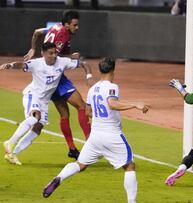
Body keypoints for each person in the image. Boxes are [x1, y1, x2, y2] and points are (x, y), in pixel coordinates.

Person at [42, 58, 149, 203]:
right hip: (112, 135)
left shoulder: (93, 89)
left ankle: (59, 178)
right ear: (113, 71)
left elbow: (87, 112)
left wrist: (98, 116)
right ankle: (132, 201)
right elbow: (112, 104)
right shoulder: (112, 87)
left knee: (81, 164)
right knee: (129, 165)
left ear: (99, 71)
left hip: (95, 136)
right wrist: (135, 104)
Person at [1, 42, 89, 165]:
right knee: (36, 117)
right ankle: (10, 142)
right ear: (43, 53)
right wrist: (10, 65)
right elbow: (22, 64)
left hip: (44, 101)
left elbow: (82, 64)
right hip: (33, 95)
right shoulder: (37, 63)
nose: (53, 56)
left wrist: (88, 74)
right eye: (50, 53)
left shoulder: (62, 62)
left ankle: (13, 154)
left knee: (38, 128)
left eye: (55, 53)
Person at [22, 10, 92, 159]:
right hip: (56, 78)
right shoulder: (62, 34)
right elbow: (55, 57)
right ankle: (91, 144)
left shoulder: (55, 27)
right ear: (67, 24)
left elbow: (36, 32)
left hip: (49, 81)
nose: (77, 27)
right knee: (82, 107)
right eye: (75, 25)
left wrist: (33, 48)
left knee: (64, 114)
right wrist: (71, 57)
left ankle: (72, 149)